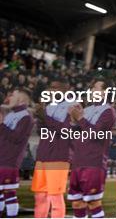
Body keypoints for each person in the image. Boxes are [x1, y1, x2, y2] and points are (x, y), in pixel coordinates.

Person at [68, 79, 116, 218]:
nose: (92, 90)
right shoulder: (87, 109)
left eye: (96, 88)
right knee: (77, 203)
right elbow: (75, 133)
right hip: (78, 162)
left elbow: (95, 134)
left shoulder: (109, 111)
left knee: (93, 203)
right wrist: (73, 120)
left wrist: (80, 118)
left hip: (93, 163)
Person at [31, 77, 72, 218]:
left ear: (66, 88)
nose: (52, 90)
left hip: (58, 156)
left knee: (55, 196)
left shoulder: (73, 106)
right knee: (40, 196)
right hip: (43, 155)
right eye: (51, 87)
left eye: (56, 87)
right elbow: (41, 132)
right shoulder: (49, 106)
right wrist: (40, 118)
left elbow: (66, 131)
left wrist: (45, 118)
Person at [0, 88, 34, 218]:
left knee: (9, 193)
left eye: (13, 95)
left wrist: (2, 124)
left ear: (21, 99)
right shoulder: (11, 114)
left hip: (9, 161)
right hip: (2, 158)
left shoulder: (26, 117)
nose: (9, 98)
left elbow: (17, 138)